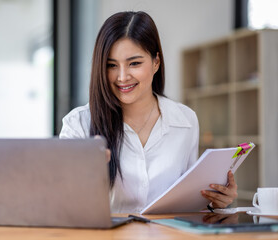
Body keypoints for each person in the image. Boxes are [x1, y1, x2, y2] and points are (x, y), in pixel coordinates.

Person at [59, 11, 237, 213]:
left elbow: (189, 202)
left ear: (156, 62)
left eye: (134, 63)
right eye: (111, 65)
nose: (123, 77)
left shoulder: (185, 120)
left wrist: (214, 201)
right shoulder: (79, 124)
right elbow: (64, 205)